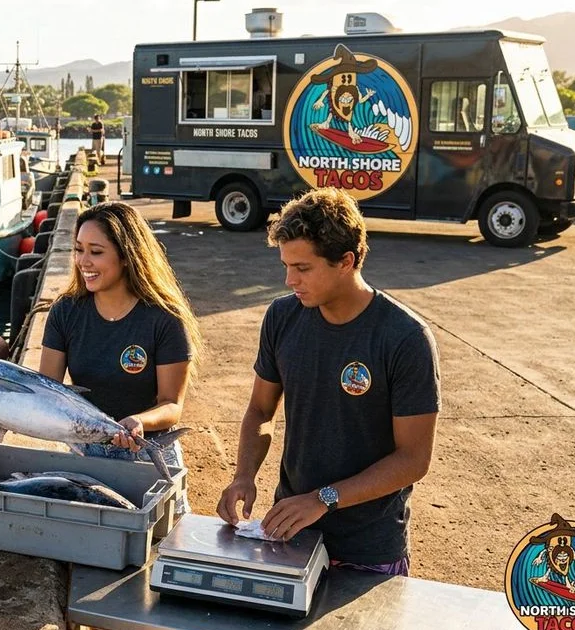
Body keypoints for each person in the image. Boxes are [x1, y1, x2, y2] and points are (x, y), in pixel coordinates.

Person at [216, 188, 440, 576]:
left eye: (303, 268)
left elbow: (413, 459)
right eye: (286, 266)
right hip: (290, 533)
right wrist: (244, 475)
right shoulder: (282, 318)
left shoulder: (404, 338)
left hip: (369, 549)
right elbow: (260, 410)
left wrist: (324, 498)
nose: (289, 280)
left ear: (346, 261)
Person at [38, 201, 201, 514]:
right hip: (85, 455)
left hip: (148, 455)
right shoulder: (65, 311)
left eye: (96, 252)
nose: (84, 261)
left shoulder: (164, 319)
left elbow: (171, 406)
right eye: (78, 249)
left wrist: (139, 421)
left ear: (127, 255)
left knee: (161, 544)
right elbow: (47, 393)